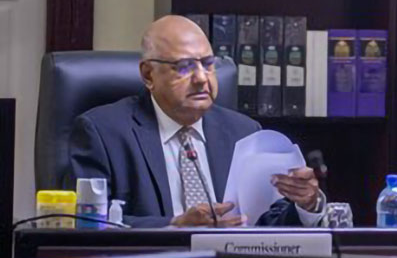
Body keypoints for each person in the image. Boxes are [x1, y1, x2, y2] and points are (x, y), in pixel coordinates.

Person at [69, 15, 324, 228]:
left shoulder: (243, 132)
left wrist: (306, 205)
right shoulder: (103, 133)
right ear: (148, 75)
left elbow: (267, 224)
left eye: (208, 64)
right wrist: (174, 226)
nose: (202, 78)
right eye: (184, 67)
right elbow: (86, 224)